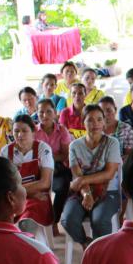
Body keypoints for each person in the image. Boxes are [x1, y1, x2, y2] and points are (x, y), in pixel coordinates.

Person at [62, 104, 122, 251]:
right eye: (90, 120)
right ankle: (87, 245)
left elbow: (109, 174)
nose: (95, 124)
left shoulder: (112, 143)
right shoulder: (74, 146)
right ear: (83, 122)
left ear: (104, 122)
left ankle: (102, 252)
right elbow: (77, 174)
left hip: (108, 192)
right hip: (81, 192)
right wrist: (86, 194)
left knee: (99, 220)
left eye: (99, 119)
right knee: (68, 219)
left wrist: (83, 180)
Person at [0, 114, 54, 235]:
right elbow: (3, 185)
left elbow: (45, 183)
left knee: (27, 223)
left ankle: (27, 245)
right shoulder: (5, 152)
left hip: (37, 199)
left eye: (24, 131)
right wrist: (30, 192)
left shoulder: (43, 149)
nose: (20, 135)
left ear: (33, 131)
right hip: (14, 199)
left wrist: (15, 191)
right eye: (16, 131)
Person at [35, 98, 73, 237]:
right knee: (34, 189)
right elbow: (33, 155)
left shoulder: (61, 130)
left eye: (48, 111)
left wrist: (47, 159)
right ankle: (36, 221)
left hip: (57, 166)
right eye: (41, 112)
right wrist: (47, 160)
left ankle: (54, 221)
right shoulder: (34, 131)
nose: (44, 115)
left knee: (63, 187)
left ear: (55, 113)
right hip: (38, 167)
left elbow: (64, 155)